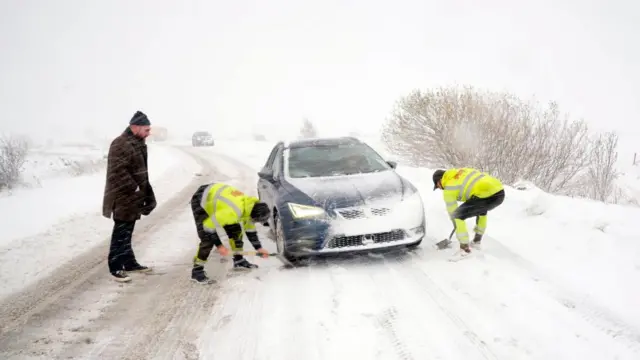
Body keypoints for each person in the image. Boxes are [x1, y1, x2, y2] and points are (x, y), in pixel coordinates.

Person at [102, 111, 157, 282]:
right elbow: (117, 172)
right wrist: (135, 188)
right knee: (121, 232)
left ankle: (129, 263)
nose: (149, 133)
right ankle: (115, 267)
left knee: (127, 232)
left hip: (133, 197)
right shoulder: (120, 144)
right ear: (135, 127)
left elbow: (141, 172)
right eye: (146, 130)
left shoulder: (137, 143)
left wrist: (147, 192)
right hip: (122, 197)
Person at [190, 182, 271, 284]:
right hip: (201, 199)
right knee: (207, 239)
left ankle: (238, 260)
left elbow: (250, 230)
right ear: (253, 215)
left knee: (236, 231)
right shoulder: (231, 212)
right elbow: (208, 227)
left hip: (219, 199)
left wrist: (259, 248)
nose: (255, 222)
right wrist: (220, 246)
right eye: (256, 220)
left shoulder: (250, 207)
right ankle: (197, 271)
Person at [432, 167, 505, 258]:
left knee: (457, 215)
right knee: (481, 210)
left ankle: (465, 249)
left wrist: (456, 222)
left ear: (439, 181)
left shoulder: (448, 187)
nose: (439, 188)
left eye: (437, 186)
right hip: (499, 192)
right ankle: (476, 241)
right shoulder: (461, 171)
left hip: (485, 194)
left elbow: (453, 212)